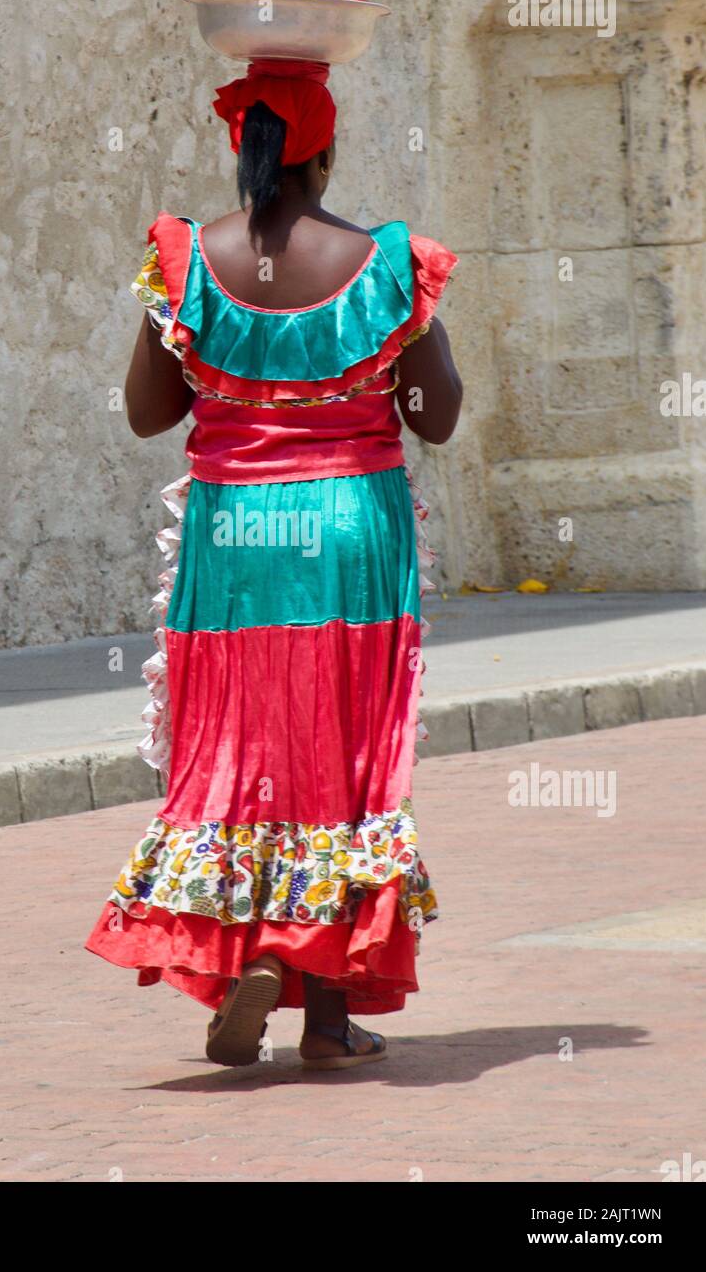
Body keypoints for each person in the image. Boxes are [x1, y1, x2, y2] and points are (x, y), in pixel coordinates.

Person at [85, 57, 462, 1069]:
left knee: (240, 749)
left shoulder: (185, 256)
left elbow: (147, 413)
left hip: (234, 539)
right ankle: (329, 1018)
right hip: (349, 531)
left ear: (238, 146)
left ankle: (246, 948)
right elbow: (439, 415)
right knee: (341, 755)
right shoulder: (386, 262)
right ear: (325, 152)